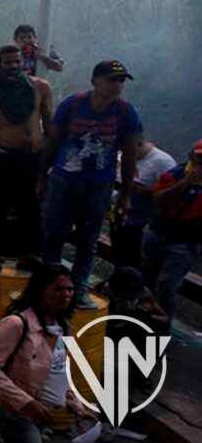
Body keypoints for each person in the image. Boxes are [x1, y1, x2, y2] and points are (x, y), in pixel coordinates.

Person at [40, 60, 143, 308]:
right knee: (54, 234)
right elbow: (52, 142)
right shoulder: (72, 105)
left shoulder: (126, 113)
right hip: (64, 179)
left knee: (88, 240)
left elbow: (129, 155)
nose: (116, 85)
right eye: (111, 79)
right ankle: (45, 286)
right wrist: (41, 177)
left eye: (120, 81)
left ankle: (79, 290)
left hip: (99, 184)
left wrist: (125, 194)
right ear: (95, 81)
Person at [0, 263, 90, 443]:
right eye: (58, 289)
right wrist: (27, 402)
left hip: (43, 414)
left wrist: (75, 404)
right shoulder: (17, 324)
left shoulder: (63, 328)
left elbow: (59, 371)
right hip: (16, 413)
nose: (66, 295)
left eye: (70, 289)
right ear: (40, 291)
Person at [0, 45, 54, 261]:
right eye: (9, 63)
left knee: (33, 211)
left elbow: (50, 128)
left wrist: (48, 165)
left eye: (18, 62)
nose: (14, 67)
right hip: (5, 159)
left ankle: (31, 260)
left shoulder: (41, 88)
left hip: (34, 159)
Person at [141, 138, 202, 316]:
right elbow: (158, 199)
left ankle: (163, 325)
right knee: (146, 278)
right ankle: (142, 319)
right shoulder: (175, 174)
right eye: (199, 157)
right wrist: (186, 183)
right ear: (191, 156)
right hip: (158, 233)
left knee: (166, 286)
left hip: (185, 244)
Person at [113, 137, 176, 268]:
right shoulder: (126, 156)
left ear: (139, 144)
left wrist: (137, 188)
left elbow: (169, 194)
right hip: (121, 213)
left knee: (135, 257)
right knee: (118, 253)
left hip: (143, 220)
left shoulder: (162, 162)